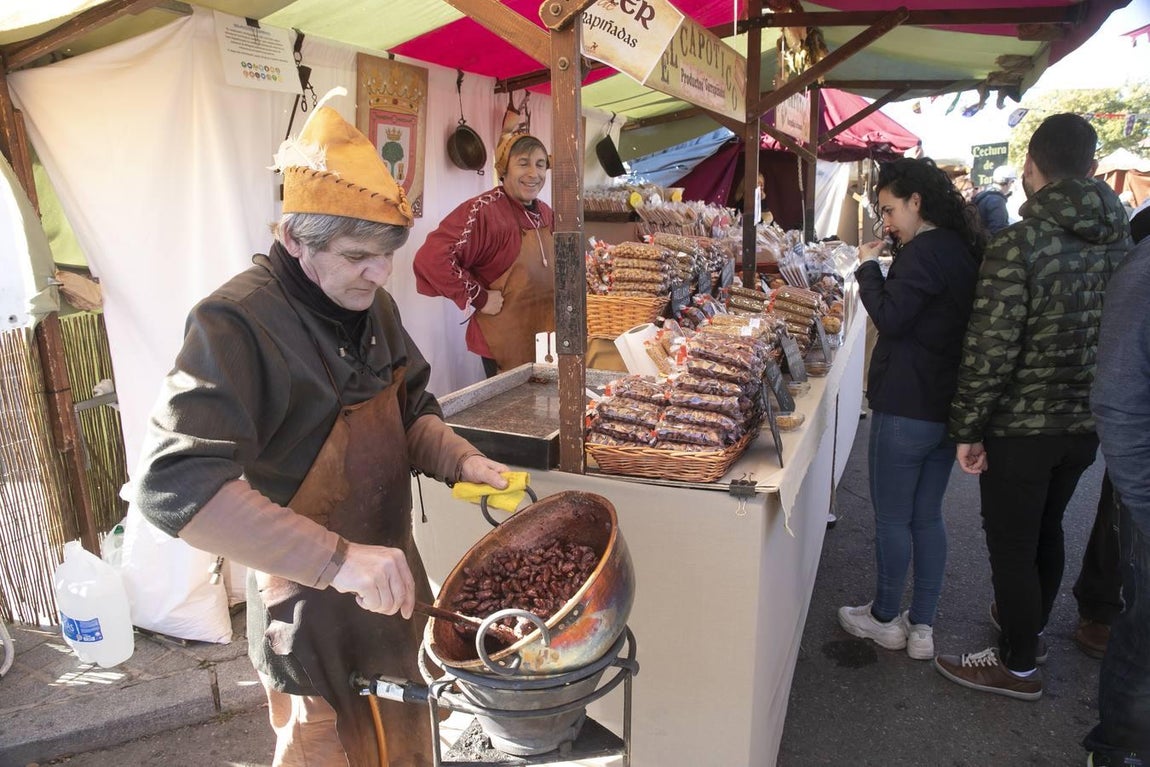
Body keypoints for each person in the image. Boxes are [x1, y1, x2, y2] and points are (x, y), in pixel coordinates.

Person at [132, 96, 509, 767]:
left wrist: (457, 457)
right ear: (294, 239)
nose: (378, 272)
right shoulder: (235, 323)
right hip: (308, 616)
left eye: (386, 254)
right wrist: (339, 560)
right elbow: (175, 482)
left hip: (394, 588)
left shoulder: (375, 306)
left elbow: (411, 406)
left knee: (407, 747)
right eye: (358, 254)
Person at [936, 113, 1131, 701]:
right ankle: (1030, 633)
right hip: (1087, 423)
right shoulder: (1121, 241)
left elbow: (989, 346)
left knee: (1013, 542)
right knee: (1045, 528)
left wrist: (967, 427)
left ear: (1031, 167)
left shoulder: (1020, 244)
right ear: (1092, 168)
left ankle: (1017, 664)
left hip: (1022, 425)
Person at [837, 157, 985, 660]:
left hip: (906, 405)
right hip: (945, 407)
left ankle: (883, 618)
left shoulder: (922, 253)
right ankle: (921, 625)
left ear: (916, 202)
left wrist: (866, 268)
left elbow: (893, 319)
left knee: (894, 519)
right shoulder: (962, 250)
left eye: (890, 209)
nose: (886, 221)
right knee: (927, 517)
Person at [1083, 235, 1150, 767]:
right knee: (1144, 631)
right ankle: (1118, 749)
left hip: (1036, 428)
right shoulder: (1140, 266)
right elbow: (1119, 401)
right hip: (1145, 497)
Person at [413, 131, 555, 377]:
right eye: (523, 163)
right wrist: (479, 297)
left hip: (545, 336)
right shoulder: (483, 211)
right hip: (504, 340)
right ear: (504, 169)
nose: (534, 173)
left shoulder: (546, 213)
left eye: (540, 165)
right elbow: (432, 258)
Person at [972, 164, 1016, 235]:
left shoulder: (984, 194)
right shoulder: (997, 201)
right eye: (1012, 181)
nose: (1013, 185)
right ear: (1007, 182)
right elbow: (999, 232)